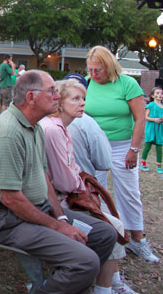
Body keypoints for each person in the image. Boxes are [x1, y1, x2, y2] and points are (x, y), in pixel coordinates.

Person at [0, 70, 116, 293]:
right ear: (31, 97)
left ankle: (68, 282)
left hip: (34, 210)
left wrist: (60, 215)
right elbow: (11, 199)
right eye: (51, 91)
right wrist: (58, 226)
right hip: (8, 221)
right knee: (86, 262)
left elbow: (44, 178)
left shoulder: (35, 126)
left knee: (104, 234)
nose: (57, 96)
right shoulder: (8, 133)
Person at [40, 78, 136, 294]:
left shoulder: (60, 127)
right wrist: (80, 182)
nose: (82, 103)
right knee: (114, 227)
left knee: (111, 223)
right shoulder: (54, 130)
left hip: (62, 198)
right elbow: (65, 181)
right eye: (75, 98)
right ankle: (104, 288)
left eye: (83, 98)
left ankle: (110, 283)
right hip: (57, 204)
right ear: (60, 102)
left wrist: (77, 179)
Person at [84, 45, 158, 263]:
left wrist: (134, 149)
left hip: (122, 146)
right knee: (94, 192)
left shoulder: (127, 84)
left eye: (98, 70)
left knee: (129, 192)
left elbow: (140, 119)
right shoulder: (89, 84)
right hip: (94, 146)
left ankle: (137, 239)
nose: (93, 74)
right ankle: (105, 236)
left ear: (109, 66)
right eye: (90, 69)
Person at [142, 86, 163, 173]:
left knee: (159, 147)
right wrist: (155, 119)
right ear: (153, 95)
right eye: (157, 93)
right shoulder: (150, 105)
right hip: (151, 128)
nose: (160, 95)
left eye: (161, 93)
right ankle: (143, 164)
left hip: (159, 128)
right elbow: (145, 117)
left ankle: (159, 166)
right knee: (148, 145)